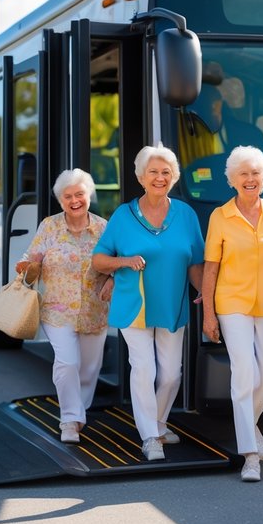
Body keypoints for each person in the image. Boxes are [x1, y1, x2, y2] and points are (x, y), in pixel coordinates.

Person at [91, 145, 204, 462]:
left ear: (174, 177)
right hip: (133, 305)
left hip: (172, 305)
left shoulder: (185, 214)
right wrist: (124, 262)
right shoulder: (123, 216)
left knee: (170, 374)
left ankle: (158, 422)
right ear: (141, 177)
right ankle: (150, 437)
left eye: (166, 172)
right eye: (153, 171)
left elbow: (196, 261)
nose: (159, 177)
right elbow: (99, 259)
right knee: (144, 368)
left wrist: (206, 293)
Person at [201, 146, 263, 483]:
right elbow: (210, 268)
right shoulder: (220, 216)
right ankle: (250, 455)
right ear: (232, 180)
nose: (250, 179)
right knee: (245, 374)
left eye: (256, 173)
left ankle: (248, 426)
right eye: (243, 173)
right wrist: (209, 315)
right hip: (233, 303)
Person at [15, 169, 110, 444]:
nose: (75, 200)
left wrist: (112, 279)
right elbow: (30, 258)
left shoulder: (103, 228)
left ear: (88, 194)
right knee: (68, 362)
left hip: (94, 309)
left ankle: (80, 411)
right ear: (61, 201)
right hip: (57, 310)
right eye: (68, 196)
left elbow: (117, 260)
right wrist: (25, 267)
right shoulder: (50, 226)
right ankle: (69, 419)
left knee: (90, 368)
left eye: (79, 194)